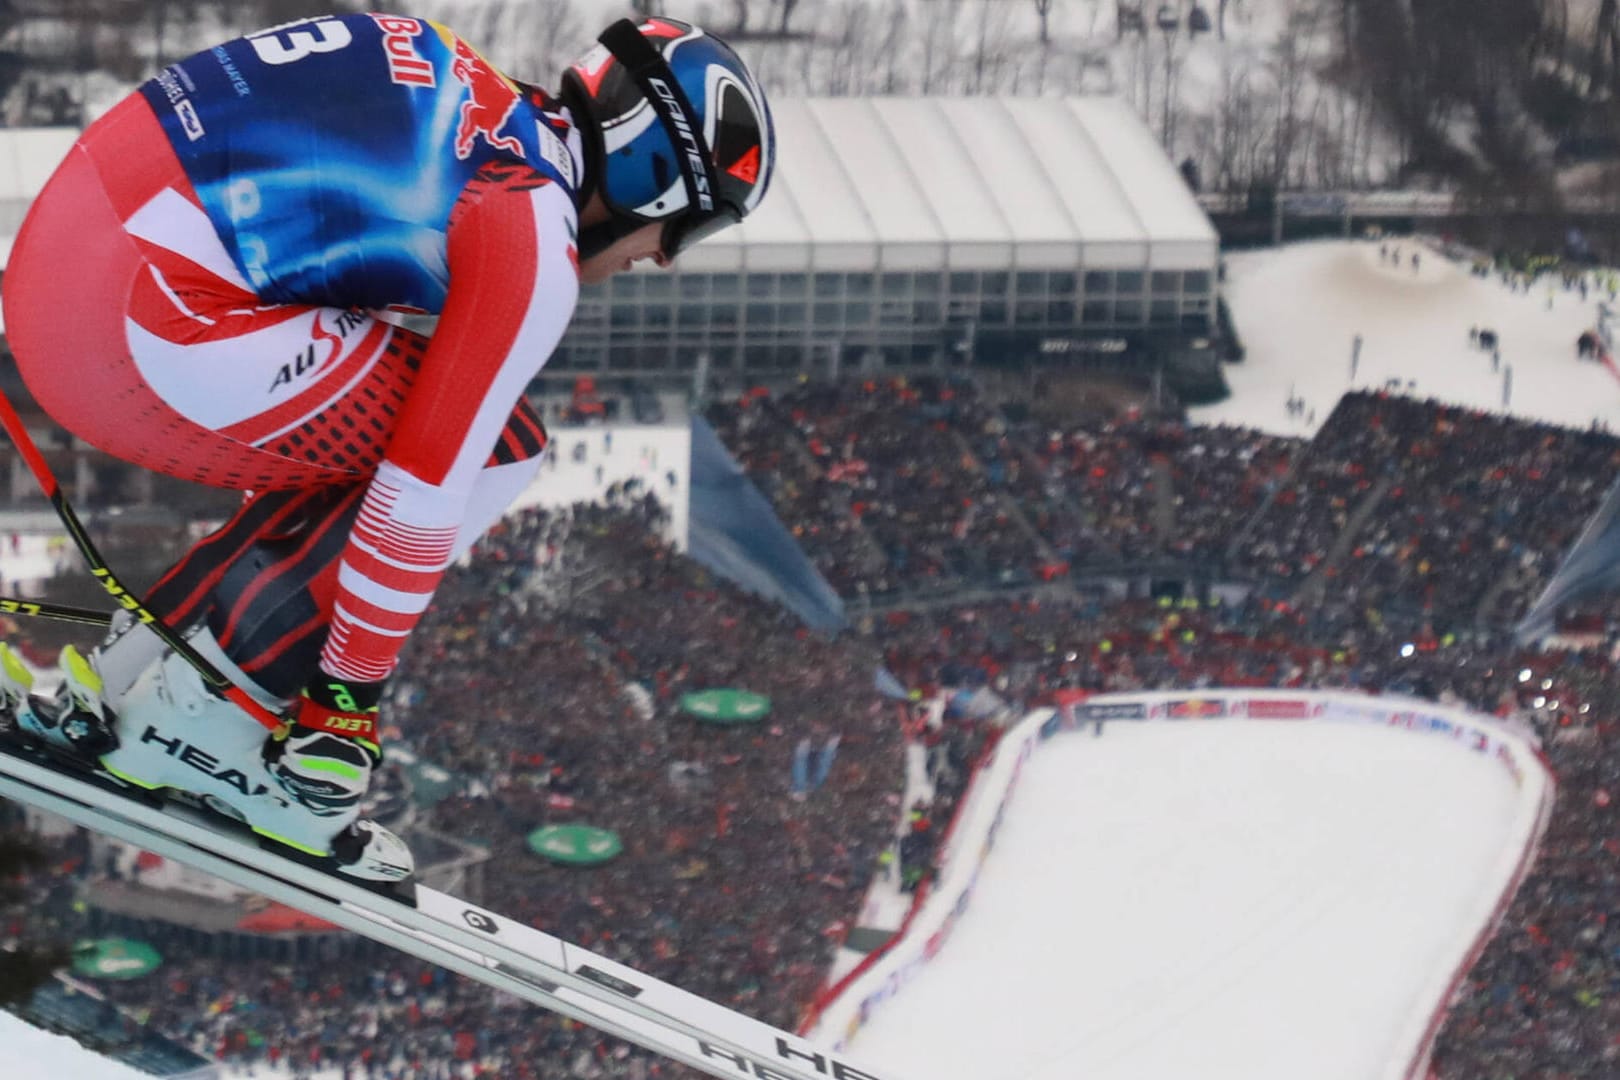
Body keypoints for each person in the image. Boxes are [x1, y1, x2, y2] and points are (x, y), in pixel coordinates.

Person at [0, 14, 775, 881]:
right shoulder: (529, 224)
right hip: (140, 326)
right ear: (655, 176)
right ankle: (205, 718)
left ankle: (120, 678)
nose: (667, 260)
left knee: (381, 426)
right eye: (690, 229)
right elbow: (422, 496)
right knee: (498, 451)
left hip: (66, 267)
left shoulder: (472, 94)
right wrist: (345, 711)